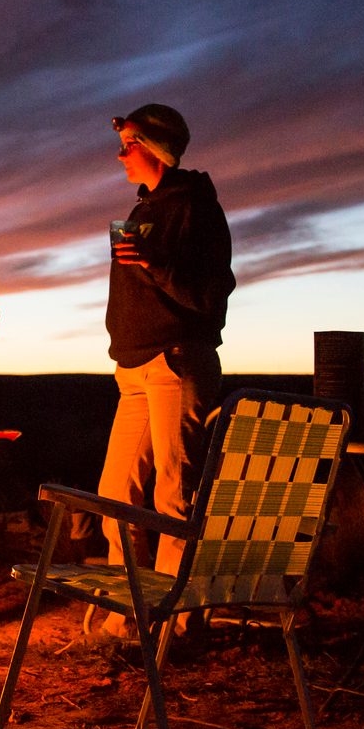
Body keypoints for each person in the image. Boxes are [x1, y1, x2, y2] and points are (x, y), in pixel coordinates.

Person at [84, 104, 235, 612]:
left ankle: (175, 616)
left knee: (174, 496)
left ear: (156, 150)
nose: (120, 154)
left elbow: (211, 298)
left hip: (175, 360)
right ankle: (127, 610)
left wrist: (156, 264)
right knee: (116, 495)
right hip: (134, 368)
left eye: (129, 144)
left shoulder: (195, 208)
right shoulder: (143, 209)